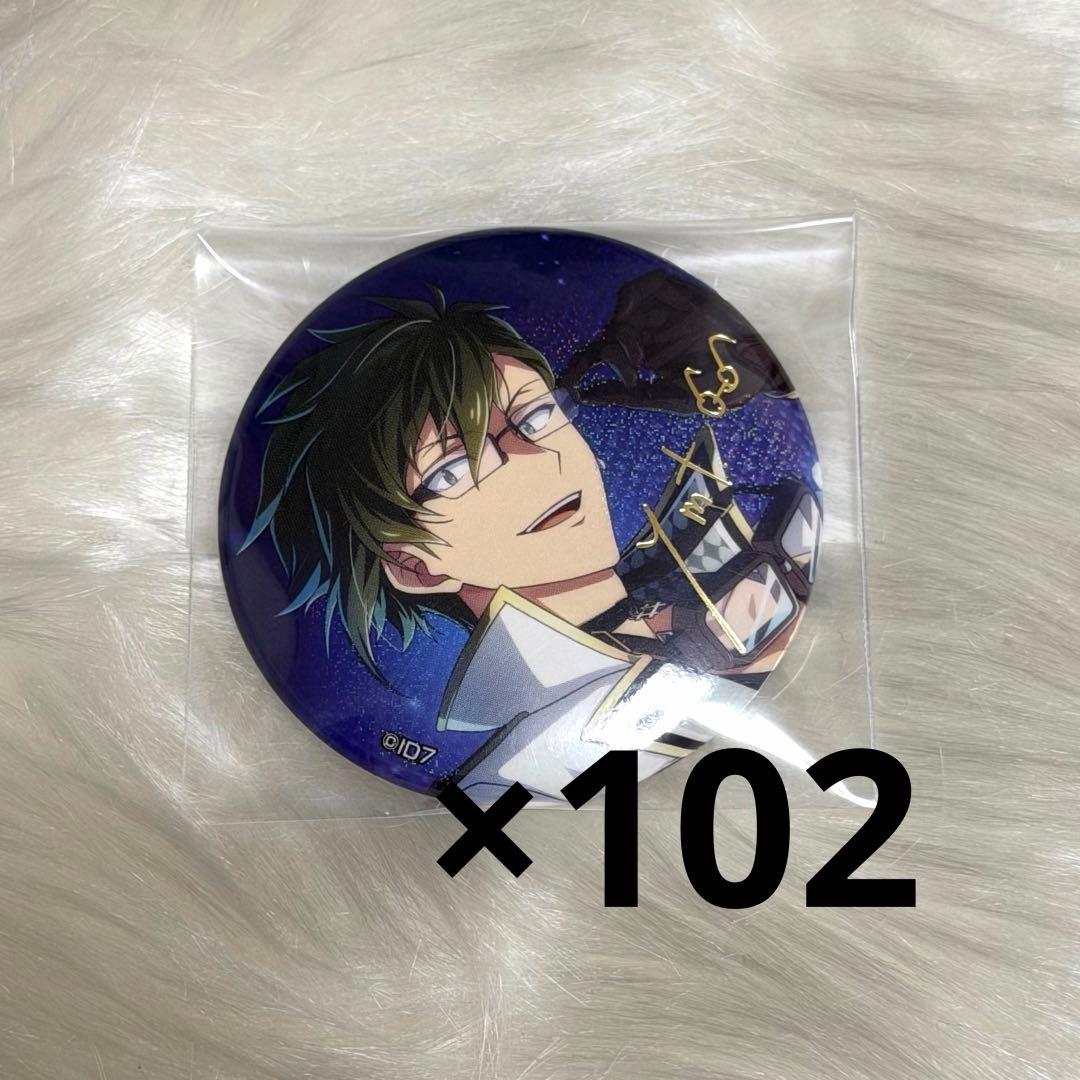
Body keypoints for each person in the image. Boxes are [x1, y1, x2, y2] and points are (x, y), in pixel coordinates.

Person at [242, 286, 820, 800]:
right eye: (450, 470)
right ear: (414, 566)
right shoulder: (524, 765)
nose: (533, 458)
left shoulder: (710, 568)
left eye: (536, 416)